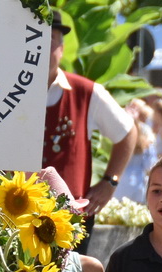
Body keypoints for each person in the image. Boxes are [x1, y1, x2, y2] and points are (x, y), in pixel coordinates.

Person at [42, 12, 136, 222]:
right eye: (36, 37)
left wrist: (110, 182)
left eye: (51, 39)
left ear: (62, 48)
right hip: (16, 214)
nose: (43, 46)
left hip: (70, 218)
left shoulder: (87, 92)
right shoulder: (8, 92)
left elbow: (127, 132)